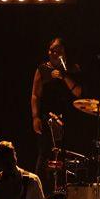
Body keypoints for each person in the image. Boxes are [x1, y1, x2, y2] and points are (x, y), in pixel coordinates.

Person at [30, 37, 83, 187]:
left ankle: (68, 189)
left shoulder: (72, 69)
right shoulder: (42, 69)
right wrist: (35, 117)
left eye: (58, 50)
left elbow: (78, 92)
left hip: (69, 117)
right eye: (52, 50)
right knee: (45, 153)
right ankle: (41, 192)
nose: (55, 53)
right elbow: (35, 95)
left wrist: (64, 76)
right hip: (48, 117)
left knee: (68, 154)